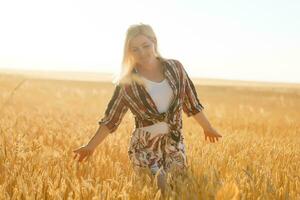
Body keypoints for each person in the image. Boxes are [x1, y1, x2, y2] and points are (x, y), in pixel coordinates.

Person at [73, 23, 222, 194]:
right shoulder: (127, 82)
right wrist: (90, 146)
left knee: (177, 192)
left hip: (174, 144)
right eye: (135, 49)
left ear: (154, 42)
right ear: (128, 52)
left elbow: (192, 103)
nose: (142, 52)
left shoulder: (176, 68)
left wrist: (207, 127)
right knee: (160, 191)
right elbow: (111, 119)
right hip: (144, 148)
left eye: (146, 46)